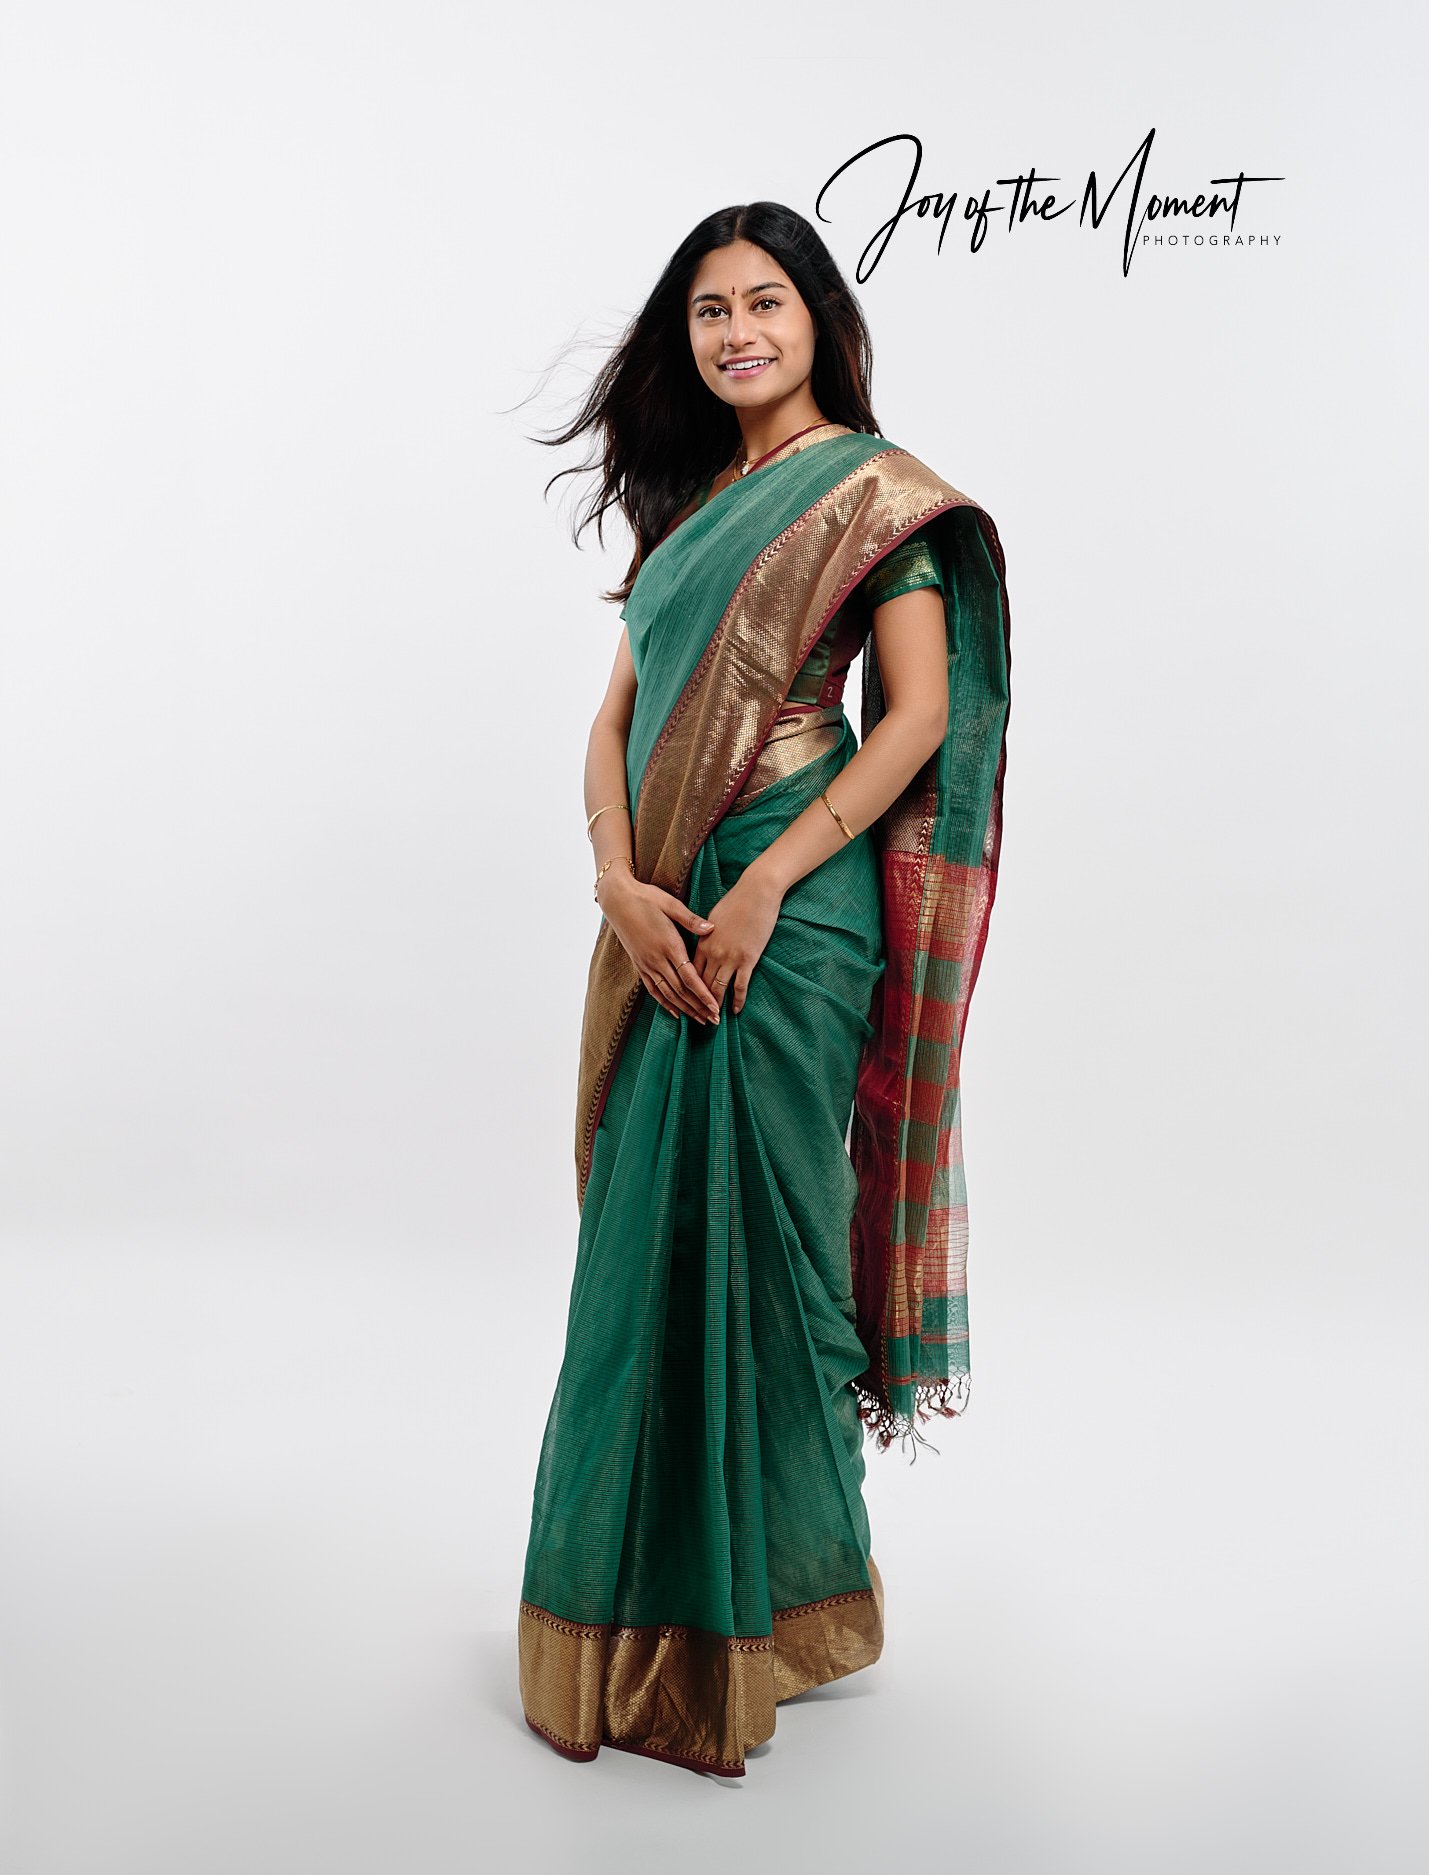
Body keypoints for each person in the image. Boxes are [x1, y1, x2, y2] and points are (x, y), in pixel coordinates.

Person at [517, 201, 1013, 1778]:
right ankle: (638, 1611)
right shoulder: (683, 513)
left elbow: (920, 716)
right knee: (642, 1260)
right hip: (662, 905)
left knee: (777, 1245)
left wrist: (759, 883)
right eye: (710, 310)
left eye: (766, 303)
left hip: (792, 918)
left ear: (819, 322)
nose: (737, 331)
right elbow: (616, 722)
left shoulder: (882, 499)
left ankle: (778, 1607)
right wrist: (619, 883)